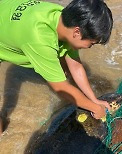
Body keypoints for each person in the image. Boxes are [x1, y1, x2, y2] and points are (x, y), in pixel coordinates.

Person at [0, 0, 113, 135]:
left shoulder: (63, 17)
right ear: (77, 32)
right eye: (91, 44)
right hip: (21, 29)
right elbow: (60, 88)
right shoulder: (40, 39)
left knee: (63, 61)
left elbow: (75, 65)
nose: (89, 47)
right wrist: (94, 108)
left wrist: (94, 100)